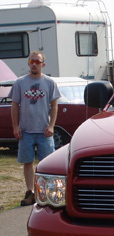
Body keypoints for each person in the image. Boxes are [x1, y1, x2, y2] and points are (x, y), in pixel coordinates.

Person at [9, 51, 61, 206]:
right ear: (28, 63)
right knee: (28, 162)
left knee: (46, 163)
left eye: (38, 62)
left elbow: (54, 106)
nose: (34, 64)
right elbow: (14, 106)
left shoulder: (50, 83)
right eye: (32, 61)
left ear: (43, 64)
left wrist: (51, 126)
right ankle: (30, 192)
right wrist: (15, 126)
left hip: (44, 131)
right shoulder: (20, 83)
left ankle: (46, 193)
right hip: (26, 131)